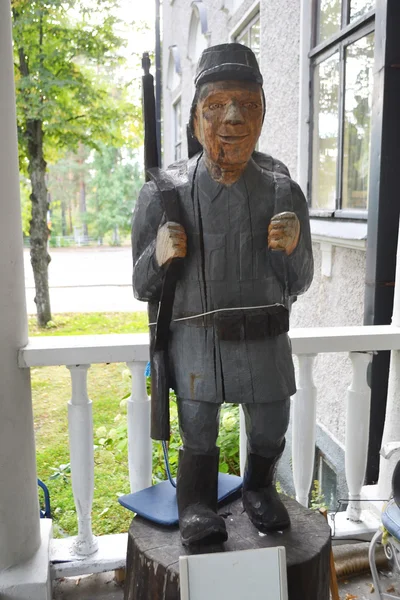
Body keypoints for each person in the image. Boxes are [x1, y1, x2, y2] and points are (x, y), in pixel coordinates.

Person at [131, 43, 313, 546]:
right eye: (215, 106)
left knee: (271, 423)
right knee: (198, 428)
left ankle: (259, 488)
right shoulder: (164, 194)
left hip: (266, 340)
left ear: (262, 116)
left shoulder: (283, 193)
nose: (232, 118)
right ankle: (197, 503)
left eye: (247, 105)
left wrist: (293, 248)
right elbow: (140, 284)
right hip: (197, 343)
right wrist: (159, 255)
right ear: (194, 121)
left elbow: (300, 281)